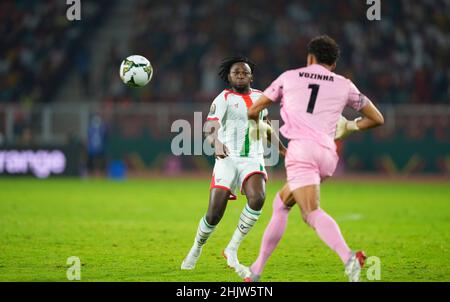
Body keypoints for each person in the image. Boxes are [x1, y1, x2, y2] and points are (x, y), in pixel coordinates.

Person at [236, 35, 384, 282]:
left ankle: (349, 256)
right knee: (281, 203)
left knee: (310, 213)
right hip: (327, 154)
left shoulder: (289, 77)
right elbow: (377, 118)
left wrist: (257, 126)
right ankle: (256, 271)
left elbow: (253, 110)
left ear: (310, 58)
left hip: (301, 151)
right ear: (333, 64)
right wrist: (351, 127)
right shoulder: (344, 84)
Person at [181, 55, 285, 271]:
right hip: (227, 158)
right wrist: (216, 142)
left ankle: (232, 248)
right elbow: (210, 126)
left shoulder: (260, 97)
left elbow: (265, 125)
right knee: (214, 214)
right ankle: (196, 247)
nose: (240, 75)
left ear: (251, 77)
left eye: (244, 72)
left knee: (258, 198)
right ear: (229, 77)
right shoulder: (223, 98)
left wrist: (282, 148)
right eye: (236, 72)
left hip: (253, 158)